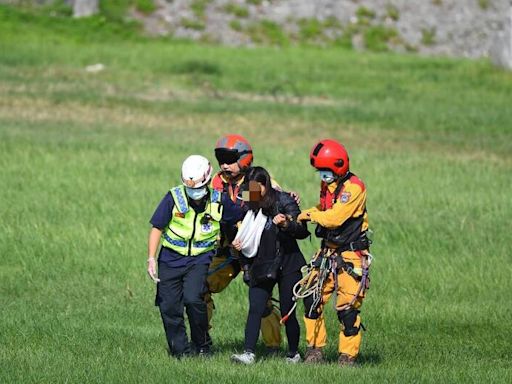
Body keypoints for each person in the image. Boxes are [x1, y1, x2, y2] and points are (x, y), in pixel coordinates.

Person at [297, 139, 372, 367]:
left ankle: (347, 357)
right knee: (311, 298)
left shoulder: (354, 188)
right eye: (319, 172)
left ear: (338, 167)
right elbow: (324, 210)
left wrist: (308, 216)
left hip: (351, 255)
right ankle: (314, 350)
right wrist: (305, 212)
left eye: (325, 172)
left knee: (347, 310)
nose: (322, 176)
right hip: (328, 252)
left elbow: (335, 217)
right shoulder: (328, 186)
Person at [205, 134, 283, 353]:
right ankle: (202, 341)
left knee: (263, 302)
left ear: (245, 159)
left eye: (229, 159)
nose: (224, 164)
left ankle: (273, 347)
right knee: (202, 287)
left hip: (255, 254)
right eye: (220, 158)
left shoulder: (255, 181)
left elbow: (254, 210)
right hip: (229, 251)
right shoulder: (217, 182)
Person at [147, 155, 225, 358]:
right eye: (190, 188)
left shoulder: (218, 199)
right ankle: (180, 352)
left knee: (193, 299)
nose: (194, 193)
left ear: (207, 181)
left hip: (199, 260)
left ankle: (202, 345)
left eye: (198, 188)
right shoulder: (173, 197)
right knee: (169, 306)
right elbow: (157, 227)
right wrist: (151, 258)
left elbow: (241, 216)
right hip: (170, 259)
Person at [230, 167, 310, 365]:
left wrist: (285, 224)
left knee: (287, 312)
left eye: (256, 188)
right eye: (249, 189)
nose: (252, 193)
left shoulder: (284, 200)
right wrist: (237, 248)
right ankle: (248, 353)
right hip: (261, 264)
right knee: (255, 309)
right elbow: (246, 236)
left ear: (265, 185)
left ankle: (293, 353)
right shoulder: (249, 203)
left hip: (288, 264)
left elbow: (302, 230)